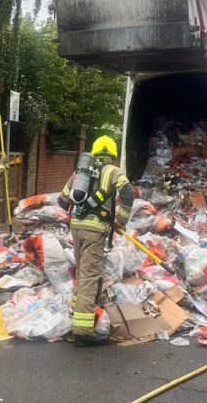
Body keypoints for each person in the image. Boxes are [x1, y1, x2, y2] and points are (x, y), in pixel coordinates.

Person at [57, 136, 134, 347]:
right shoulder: (112, 171)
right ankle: (82, 331)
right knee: (90, 276)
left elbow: (62, 201)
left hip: (76, 228)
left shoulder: (81, 172)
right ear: (112, 154)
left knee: (83, 273)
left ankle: (77, 313)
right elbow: (127, 192)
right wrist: (122, 219)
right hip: (95, 230)